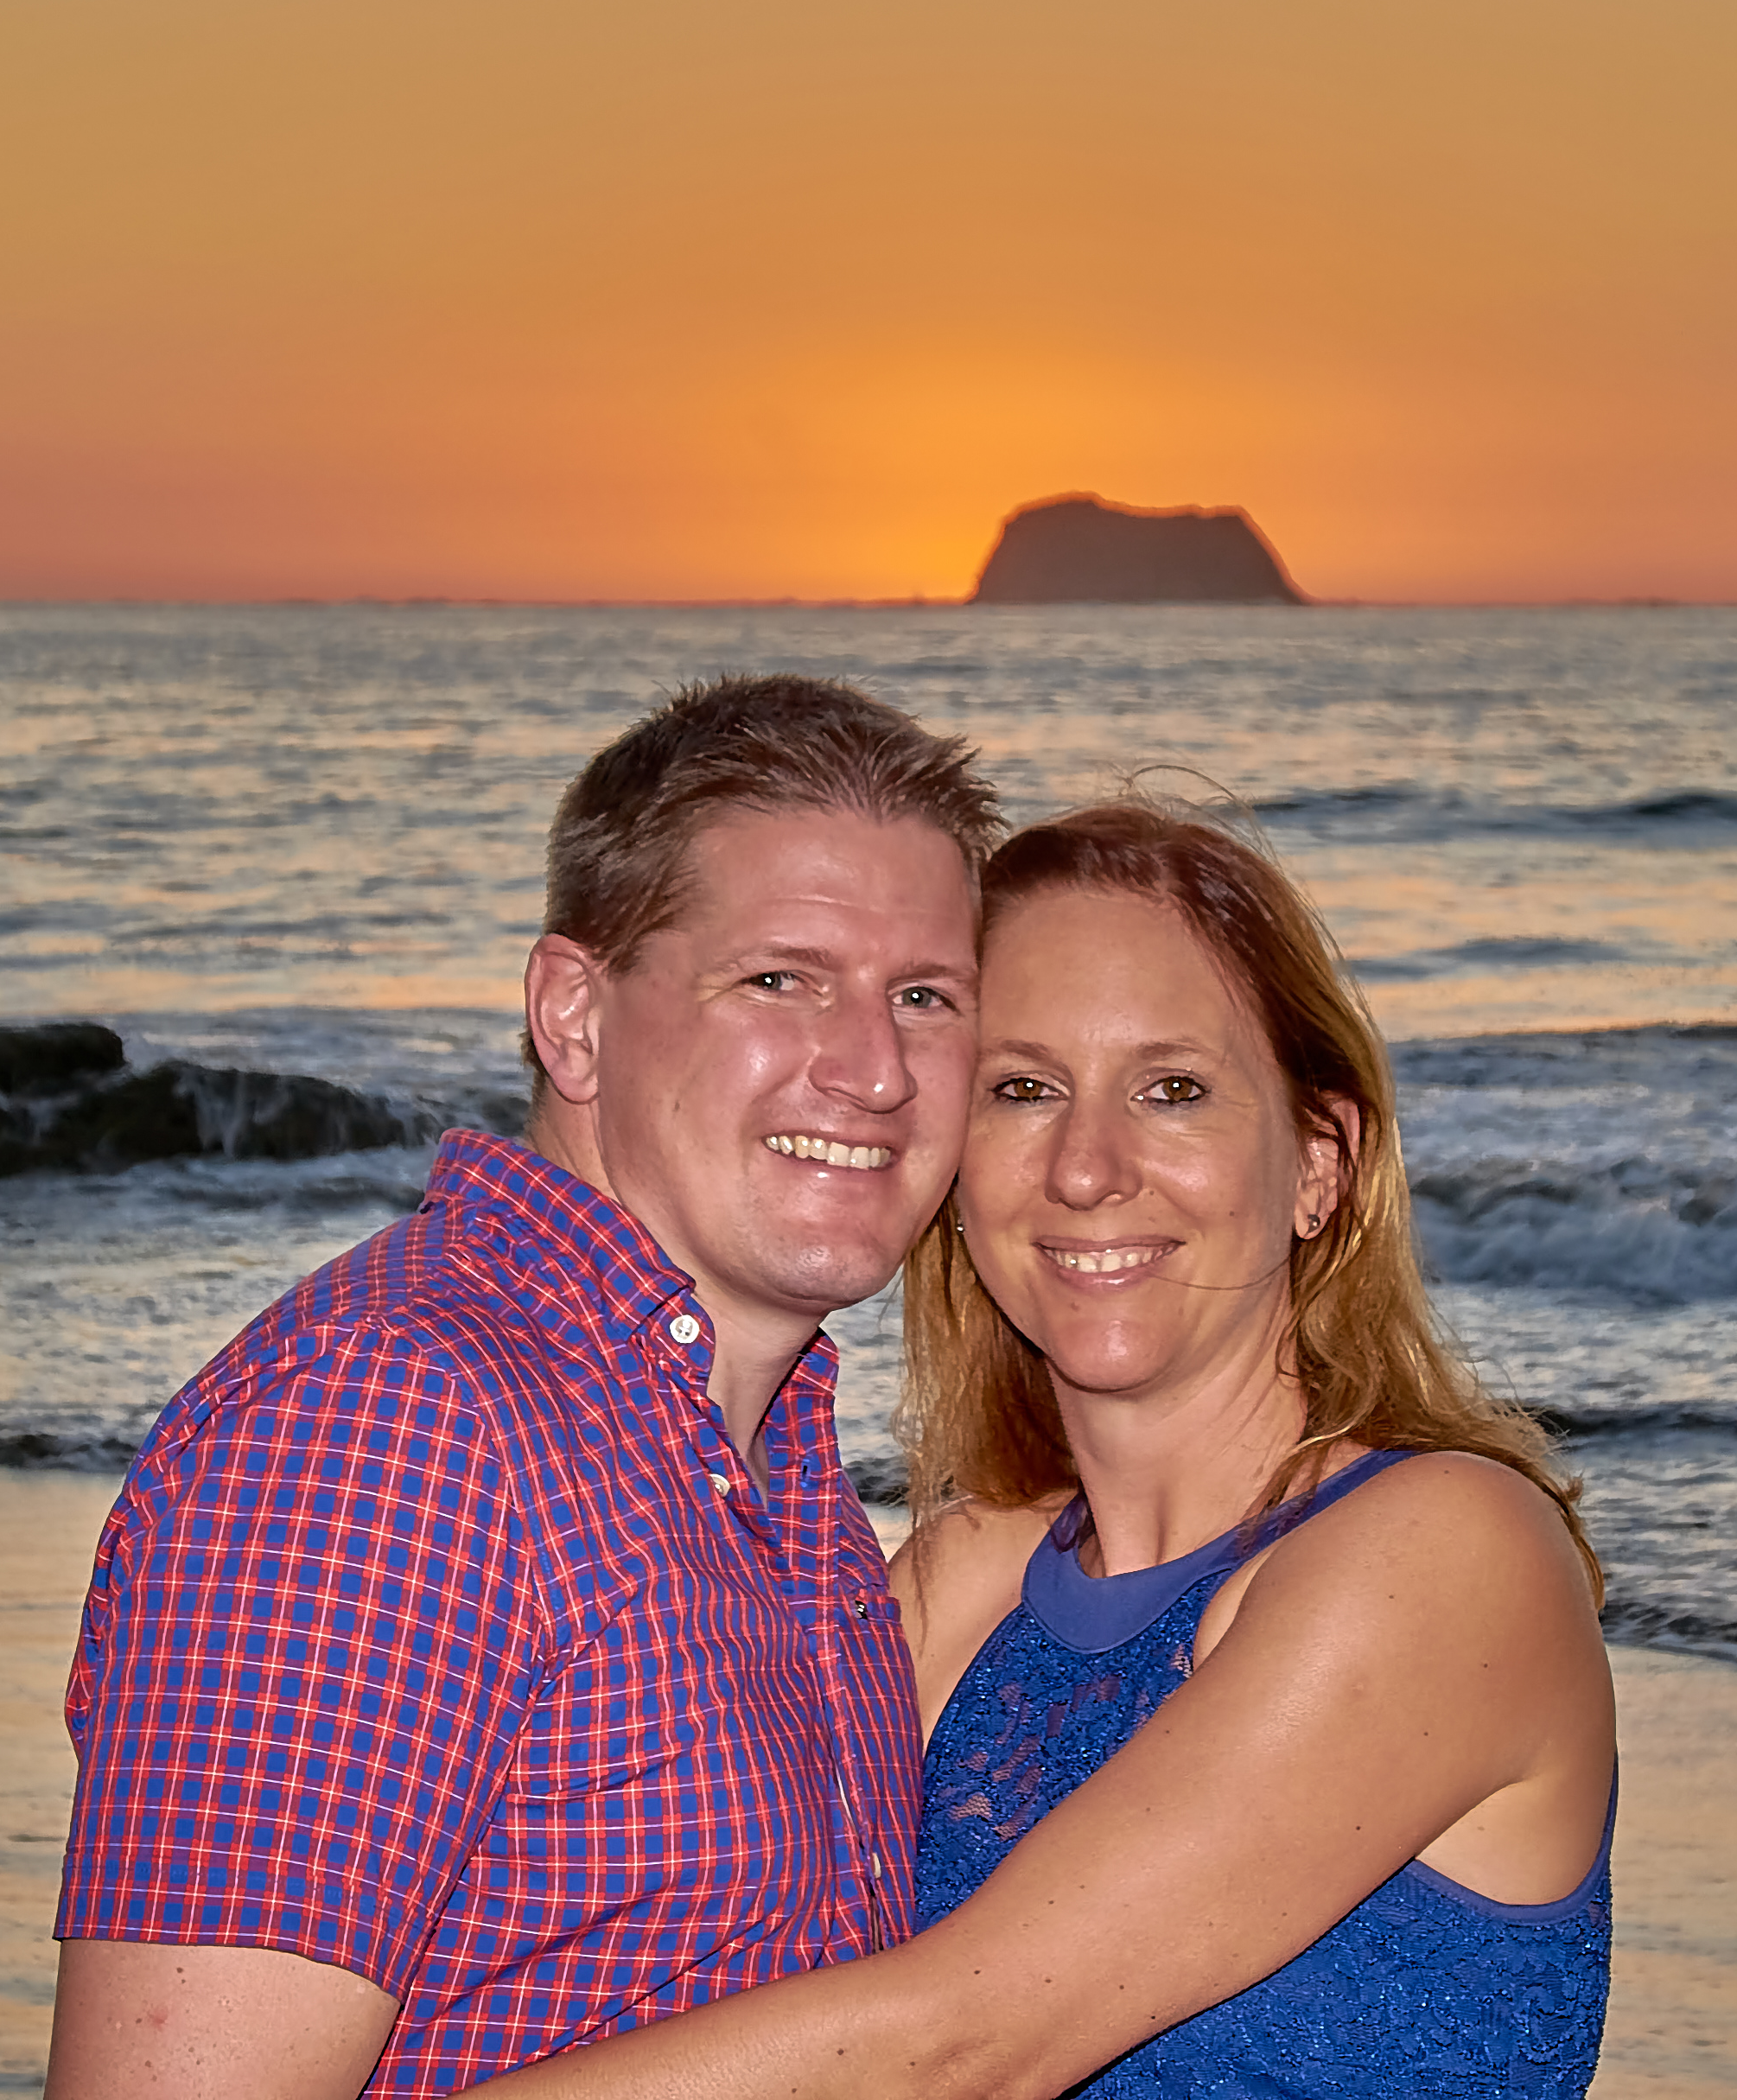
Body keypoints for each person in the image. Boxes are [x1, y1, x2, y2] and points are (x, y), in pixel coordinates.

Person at [474, 802, 1615, 2099]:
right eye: (1023, 1090)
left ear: (1320, 1161)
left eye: (1172, 1089)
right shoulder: (970, 1573)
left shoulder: (1447, 1554)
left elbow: (955, 2042)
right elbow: (646, 1929)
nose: (1085, 1169)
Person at [45, 675, 1002, 2099]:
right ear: (574, 1016)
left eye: (923, 997)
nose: (872, 1071)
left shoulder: (759, 1458)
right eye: (780, 980)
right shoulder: (390, 1426)